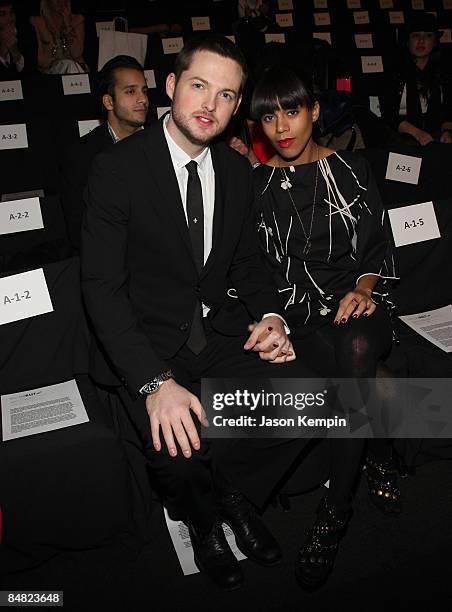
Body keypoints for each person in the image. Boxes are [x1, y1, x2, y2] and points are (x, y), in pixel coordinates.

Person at [81, 35, 314, 591]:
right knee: (179, 459)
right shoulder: (116, 170)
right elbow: (101, 289)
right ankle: (205, 519)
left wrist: (272, 316)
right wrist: (153, 382)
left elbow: (248, 267)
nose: (210, 104)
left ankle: (234, 491)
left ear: (238, 109)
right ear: (172, 87)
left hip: (218, 332)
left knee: (310, 401)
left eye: (227, 95)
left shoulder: (236, 174)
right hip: (147, 345)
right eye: (199, 86)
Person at [250, 66, 400, 589]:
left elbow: (379, 242)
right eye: (268, 116)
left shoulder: (353, 168)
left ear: (314, 111)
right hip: (302, 317)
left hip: (360, 305)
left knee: (358, 343)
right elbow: (256, 268)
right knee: (355, 377)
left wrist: (362, 288)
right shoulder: (258, 186)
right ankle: (379, 452)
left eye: (292, 111)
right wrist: (274, 319)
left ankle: (334, 513)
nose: (281, 127)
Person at [60, 55, 149, 251]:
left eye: (144, 90)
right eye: (130, 91)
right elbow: (79, 231)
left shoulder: (162, 144)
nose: (142, 99)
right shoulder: (81, 155)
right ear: (109, 102)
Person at [381, 11, 452, 145]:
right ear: (407, 41)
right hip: (401, 134)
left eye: (428, 36)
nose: (421, 41)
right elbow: (389, 116)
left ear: (435, 42)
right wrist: (418, 134)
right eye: (416, 35)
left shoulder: (444, 72)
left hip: (436, 134)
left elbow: (448, 110)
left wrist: (447, 131)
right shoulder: (394, 72)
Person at [30, 0, 87, 74]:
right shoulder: (38, 22)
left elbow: (76, 53)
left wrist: (68, 26)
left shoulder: (77, 20)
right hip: (51, 70)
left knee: (71, 65)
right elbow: (41, 61)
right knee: (68, 64)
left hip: (76, 68)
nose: (59, 1)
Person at [0, 1, 35, 76]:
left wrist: (15, 53)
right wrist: (3, 52)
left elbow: (31, 72)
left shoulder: (26, 33)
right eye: (2, 14)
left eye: (11, 12)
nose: (10, 18)